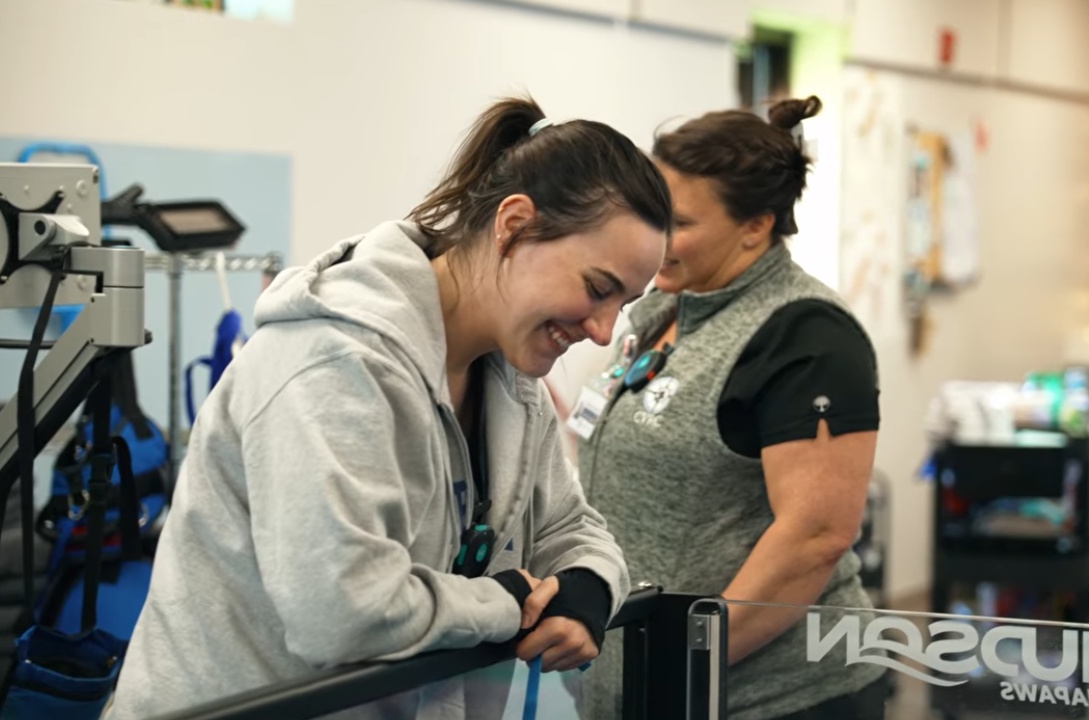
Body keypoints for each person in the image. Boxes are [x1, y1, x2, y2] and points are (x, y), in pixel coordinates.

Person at [105, 96, 673, 719]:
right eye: (597, 288)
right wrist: (505, 604)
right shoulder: (330, 363)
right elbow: (342, 612)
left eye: (624, 303)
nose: (601, 329)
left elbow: (570, 528)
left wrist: (588, 587)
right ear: (513, 224)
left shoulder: (509, 380)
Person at [571, 97, 885, 720]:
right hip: (641, 684)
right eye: (652, 215)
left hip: (771, 698)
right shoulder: (663, 311)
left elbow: (815, 538)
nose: (657, 240)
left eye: (680, 223)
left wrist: (683, 664)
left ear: (756, 226)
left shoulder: (805, 335)